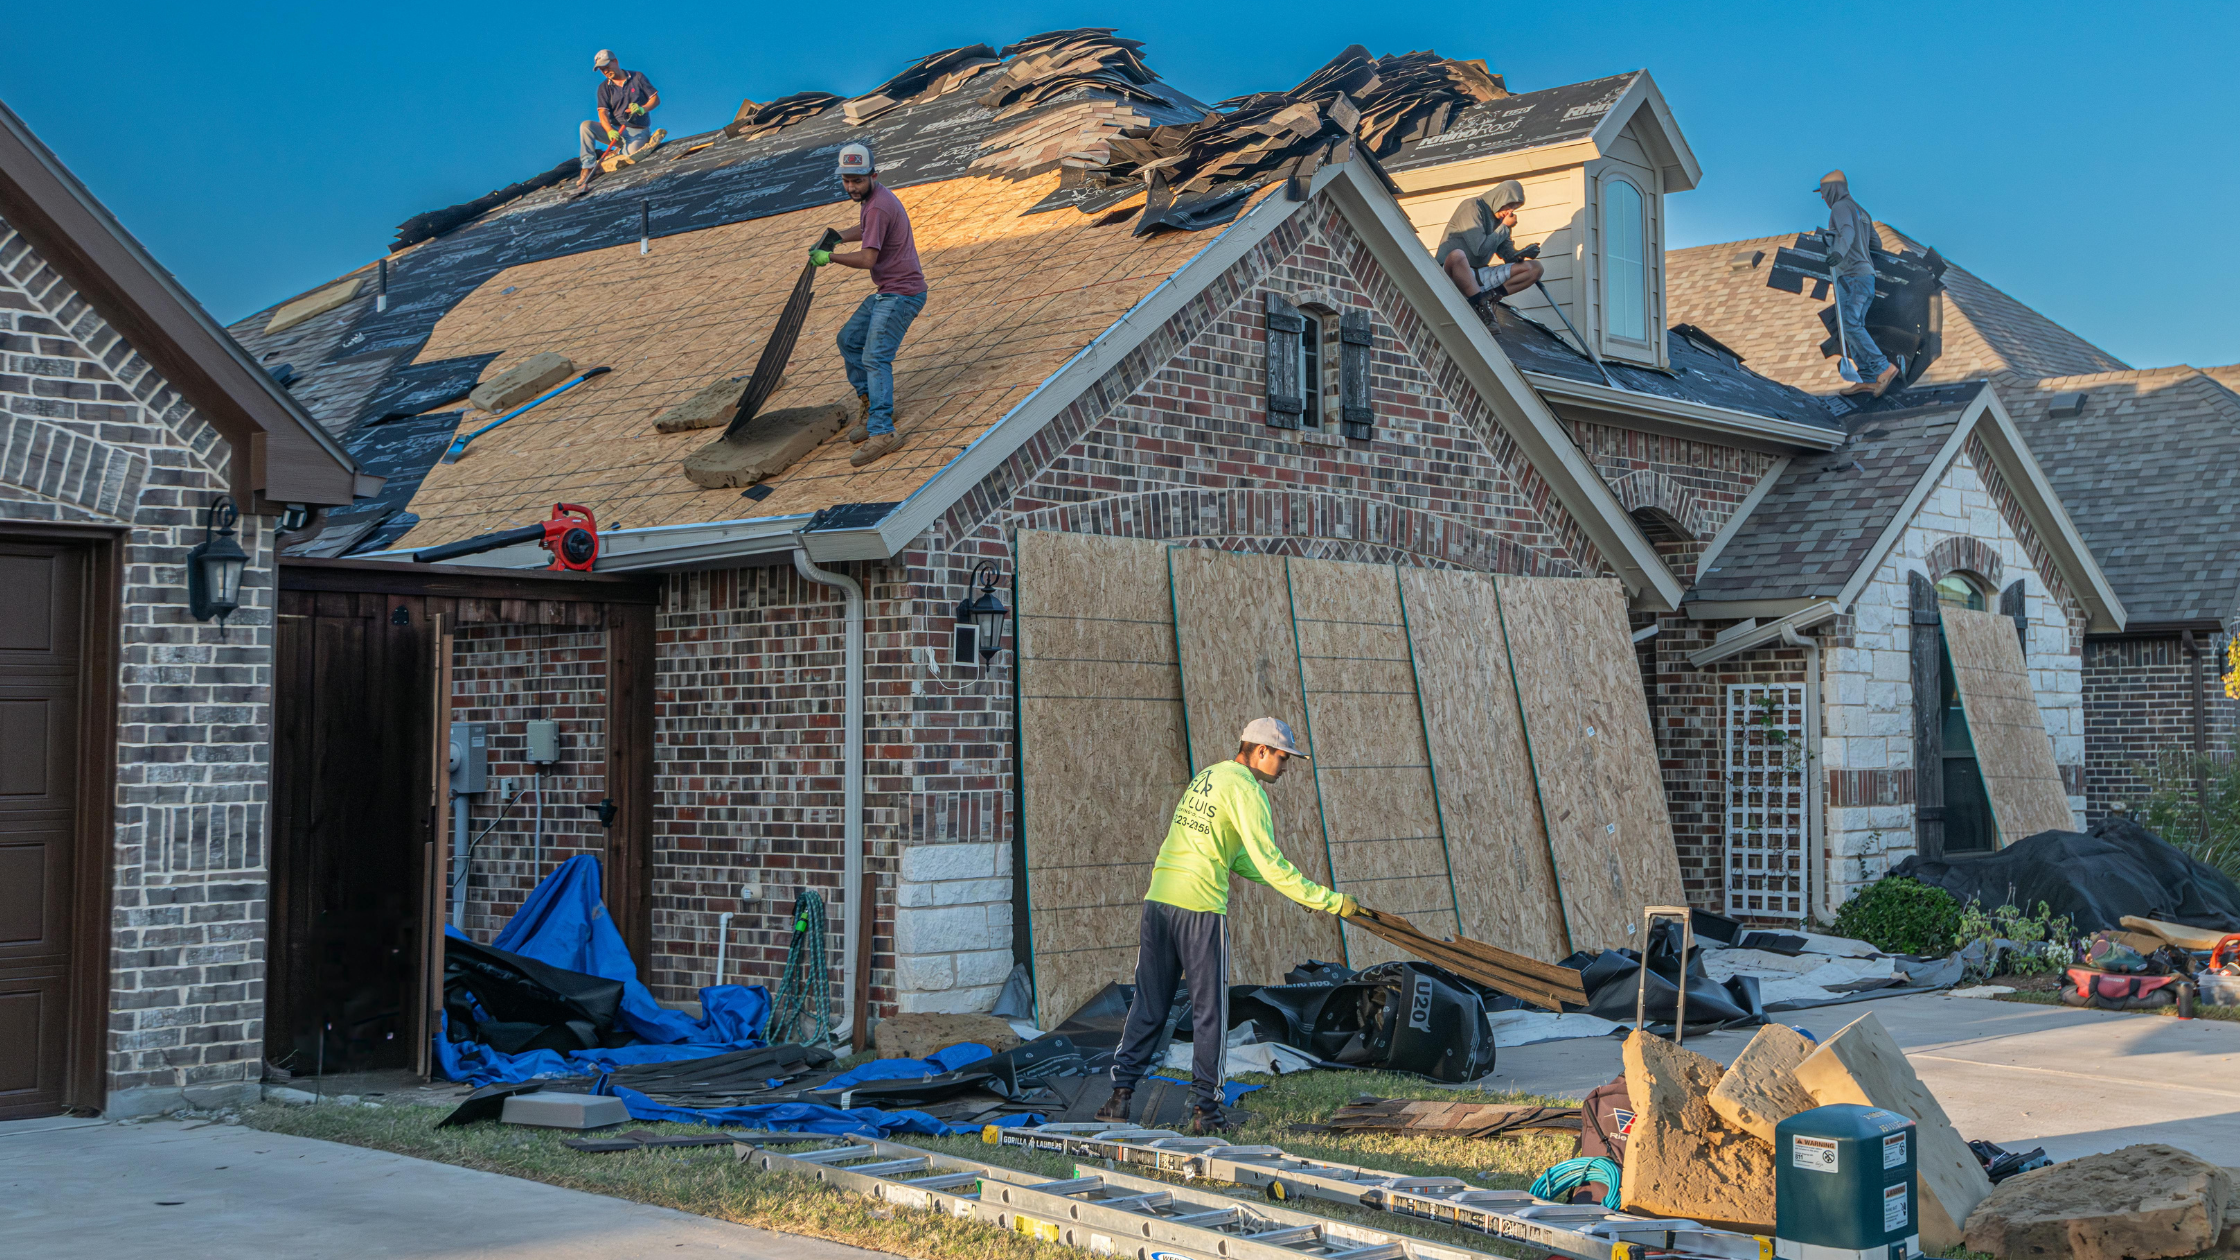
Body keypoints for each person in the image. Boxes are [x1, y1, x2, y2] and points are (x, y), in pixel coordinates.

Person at [1094, 717, 1360, 1135]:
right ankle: (1207, 1112)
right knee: (1209, 1013)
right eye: (1283, 757)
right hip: (1200, 908)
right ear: (1259, 750)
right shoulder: (1248, 790)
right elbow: (1270, 861)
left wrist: (1297, 893)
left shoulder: (1209, 777)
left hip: (1159, 900)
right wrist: (1328, 901)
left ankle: (1118, 1099)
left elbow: (1237, 859)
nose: (1286, 766)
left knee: (1149, 1005)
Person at [812, 143, 927, 467]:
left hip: (901, 294)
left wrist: (830, 256)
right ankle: (869, 402)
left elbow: (867, 258)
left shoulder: (876, 205)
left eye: (858, 181)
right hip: (887, 290)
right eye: (847, 180)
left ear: (873, 175)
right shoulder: (874, 199)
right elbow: (867, 230)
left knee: (875, 357)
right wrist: (837, 237)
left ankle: (882, 432)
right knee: (848, 340)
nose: (851, 187)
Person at [1816, 169, 1897, 397]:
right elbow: (1877, 245)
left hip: (1851, 275)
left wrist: (1840, 253)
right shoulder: (1862, 212)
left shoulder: (1840, 207)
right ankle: (1869, 378)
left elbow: (1847, 231)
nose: (1822, 197)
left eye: (1823, 192)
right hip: (1865, 276)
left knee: (1850, 324)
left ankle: (1883, 368)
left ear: (1833, 189)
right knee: (1851, 326)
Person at [1436, 180, 1544, 301]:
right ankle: (1479, 303)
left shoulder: (1501, 223)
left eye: (1514, 208)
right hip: (1451, 273)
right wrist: (1504, 227)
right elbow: (1480, 250)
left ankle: (1490, 297)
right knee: (1458, 255)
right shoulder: (1472, 207)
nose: (1510, 212)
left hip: (1478, 275)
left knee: (1535, 268)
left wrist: (1522, 254)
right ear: (1500, 198)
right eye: (1509, 205)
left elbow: (1508, 257)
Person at [573, 50, 663, 193]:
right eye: (602, 69)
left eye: (606, 66)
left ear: (615, 62)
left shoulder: (637, 77)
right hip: (616, 131)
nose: (605, 71)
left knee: (630, 154)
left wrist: (642, 109)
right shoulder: (604, 88)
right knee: (586, 126)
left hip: (637, 131)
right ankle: (588, 166)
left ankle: (614, 156)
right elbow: (602, 112)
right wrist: (609, 130)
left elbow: (655, 99)